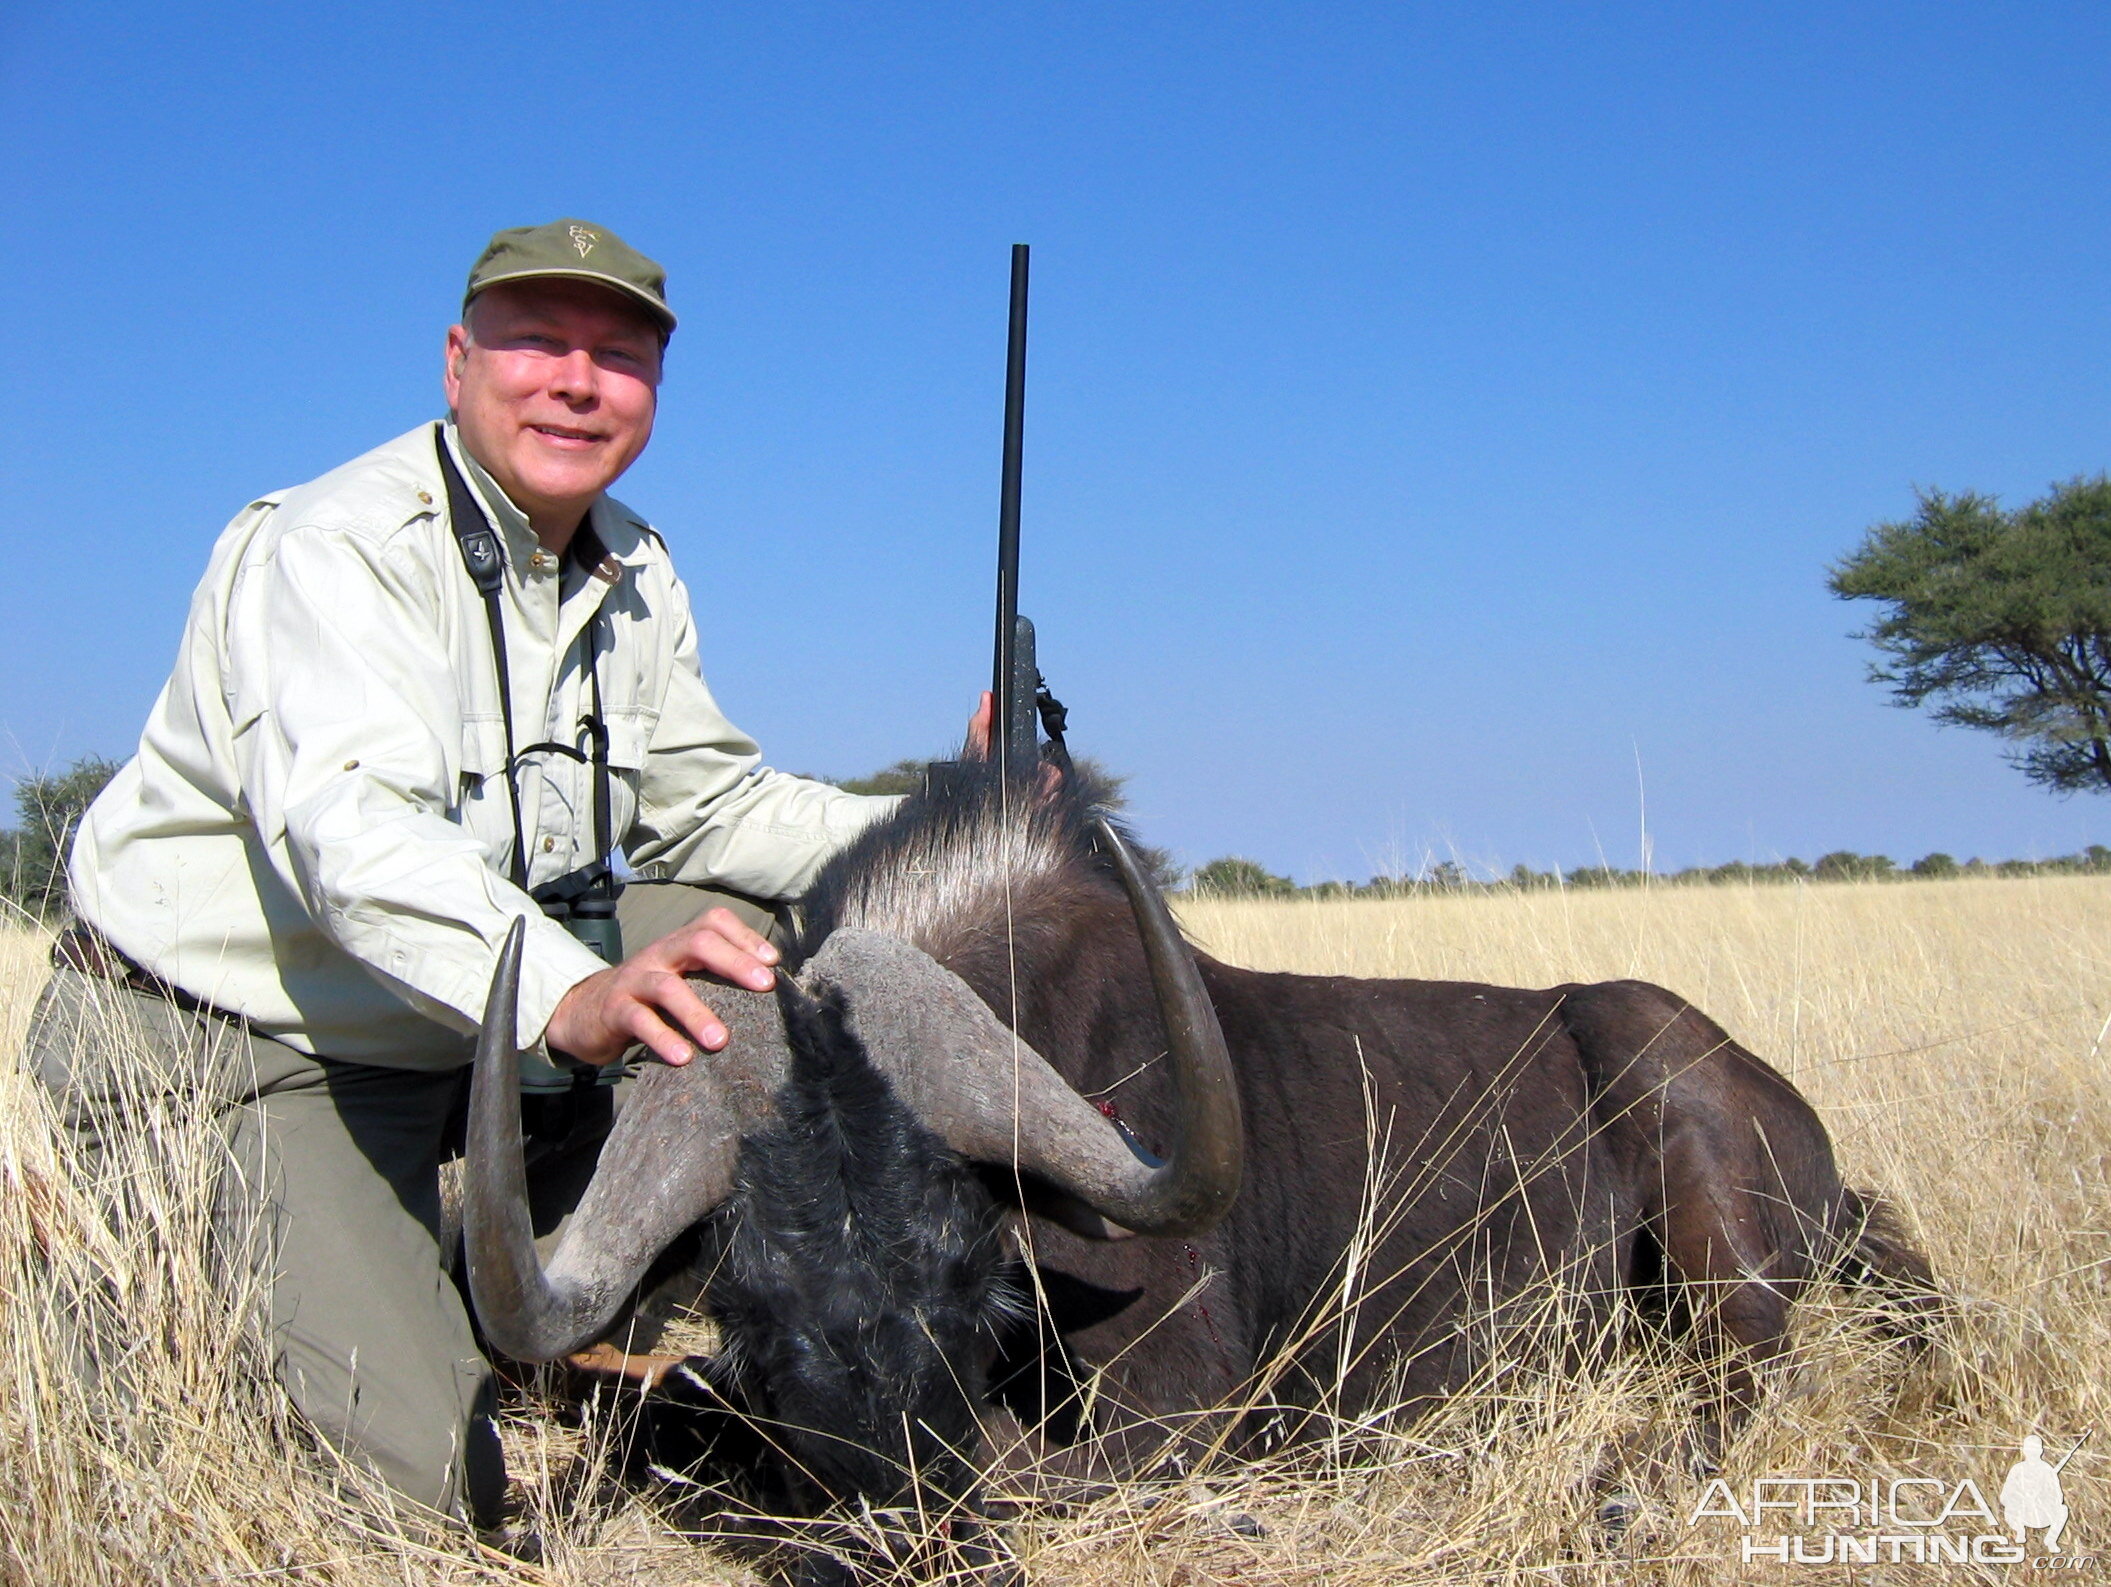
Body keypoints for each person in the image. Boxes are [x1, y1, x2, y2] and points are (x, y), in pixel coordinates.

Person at [24, 218, 981, 1529]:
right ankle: (129, 1258)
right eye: (538, 343)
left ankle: (576, 1290)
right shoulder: (333, 546)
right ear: (457, 362)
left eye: (619, 355)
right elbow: (347, 836)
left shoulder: (635, 565)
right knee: (435, 1486)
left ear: (654, 390)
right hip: (246, 1039)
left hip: (457, 1032)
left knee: (757, 940)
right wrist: (567, 995)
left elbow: (713, 809)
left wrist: (959, 815)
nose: (577, 382)